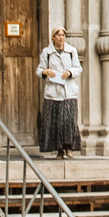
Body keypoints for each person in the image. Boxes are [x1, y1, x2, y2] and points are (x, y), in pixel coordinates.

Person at [37, 29, 83, 158]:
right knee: (56, 121)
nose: (61, 38)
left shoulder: (71, 51)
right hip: (53, 92)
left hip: (68, 92)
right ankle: (59, 151)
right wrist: (45, 72)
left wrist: (69, 72)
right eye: (59, 35)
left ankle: (69, 147)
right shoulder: (47, 52)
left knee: (69, 121)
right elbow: (39, 69)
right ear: (53, 37)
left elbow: (78, 68)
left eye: (63, 35)